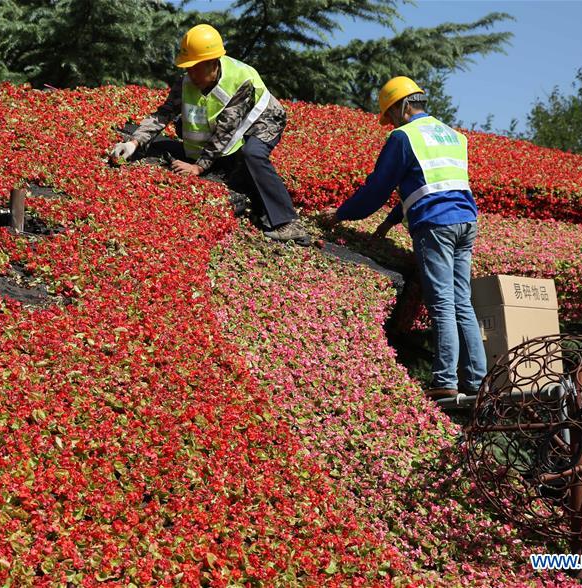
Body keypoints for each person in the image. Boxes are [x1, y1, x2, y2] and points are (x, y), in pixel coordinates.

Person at [325, 76, 487, 400]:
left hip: (435, 226)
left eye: (390, 115)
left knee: (442, 303)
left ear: (401, 107)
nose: (391, 123)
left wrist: (341, 214)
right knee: (461, 302)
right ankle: (477, 381)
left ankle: (445, 379)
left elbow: (377, 187)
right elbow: (432, 184)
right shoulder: (454, 136)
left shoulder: (404, 137)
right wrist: (390, 221)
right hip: (466, 222)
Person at [110, 24, 310, 246]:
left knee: (251, 154)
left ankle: (289, 223)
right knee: (185, 132)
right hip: (225, 128)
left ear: (213, 63)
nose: (191, 73)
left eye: (196, 67)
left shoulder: (239, 81)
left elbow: (226, 131)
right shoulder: (187, 81)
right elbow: (164, 113)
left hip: (264, 120)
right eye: (188, 67)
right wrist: (134, 143)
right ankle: (237, 177)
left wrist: (198, 168)